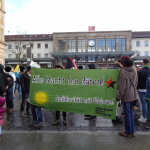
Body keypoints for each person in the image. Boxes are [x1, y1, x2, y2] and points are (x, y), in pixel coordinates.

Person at [116, 56, 138, 137]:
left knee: (127, 115)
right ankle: (132, 131)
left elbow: (122, 87)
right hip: (133, 95)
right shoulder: (134, 69)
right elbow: (136, 83)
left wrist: (118, 97)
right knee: (131, 113)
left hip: (126, 97)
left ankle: (128, 132)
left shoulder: (123, 72)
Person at [137, 58, 149, 123]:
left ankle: (144, 117)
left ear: (142, 63)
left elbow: (137, 81)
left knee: (143, 103)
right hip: (148, 89)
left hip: (141, 89)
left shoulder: (139, 72)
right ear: (148, 63)